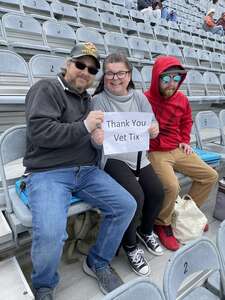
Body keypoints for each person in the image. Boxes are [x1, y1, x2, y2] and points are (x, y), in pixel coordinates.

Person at [23, 42, 137, 299]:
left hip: (86, 171)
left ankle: (97, 261)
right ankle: (44, 285)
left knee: (126, 205)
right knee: (52, 232)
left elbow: (86, 135)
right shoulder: (46, 89)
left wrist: (97, 141)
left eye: (92, 69)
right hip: (48, 172)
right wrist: (85, 127)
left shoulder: (87, 99)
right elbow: (40, 133)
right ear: (67, 63)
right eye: (80, 65)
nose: (85, 72)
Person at [92, 53, 164, 277]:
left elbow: (153, 123)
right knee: (135, 198)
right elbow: (92, 133)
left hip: (139, 157)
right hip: (113, 159)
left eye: (120, 73)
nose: (115, 78)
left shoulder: (139, 98)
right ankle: (130, 246)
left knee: (157, 192)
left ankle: (146, 231)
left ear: (129, 75)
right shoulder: (98, 101)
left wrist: (154, 128)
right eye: (110, 73)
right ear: (104, 76)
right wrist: (96, 137)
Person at [144, 56, 218, 251]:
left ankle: (186, 213)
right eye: (166, 79)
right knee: (171, 186)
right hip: (156, 151)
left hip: (177, 147)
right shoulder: (144, 99)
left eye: (176, 79)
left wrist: (185, 140)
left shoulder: (182, 99)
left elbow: (186, 121)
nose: (171, 84)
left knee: (210, 176)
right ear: (156, 78)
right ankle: (162, 223)